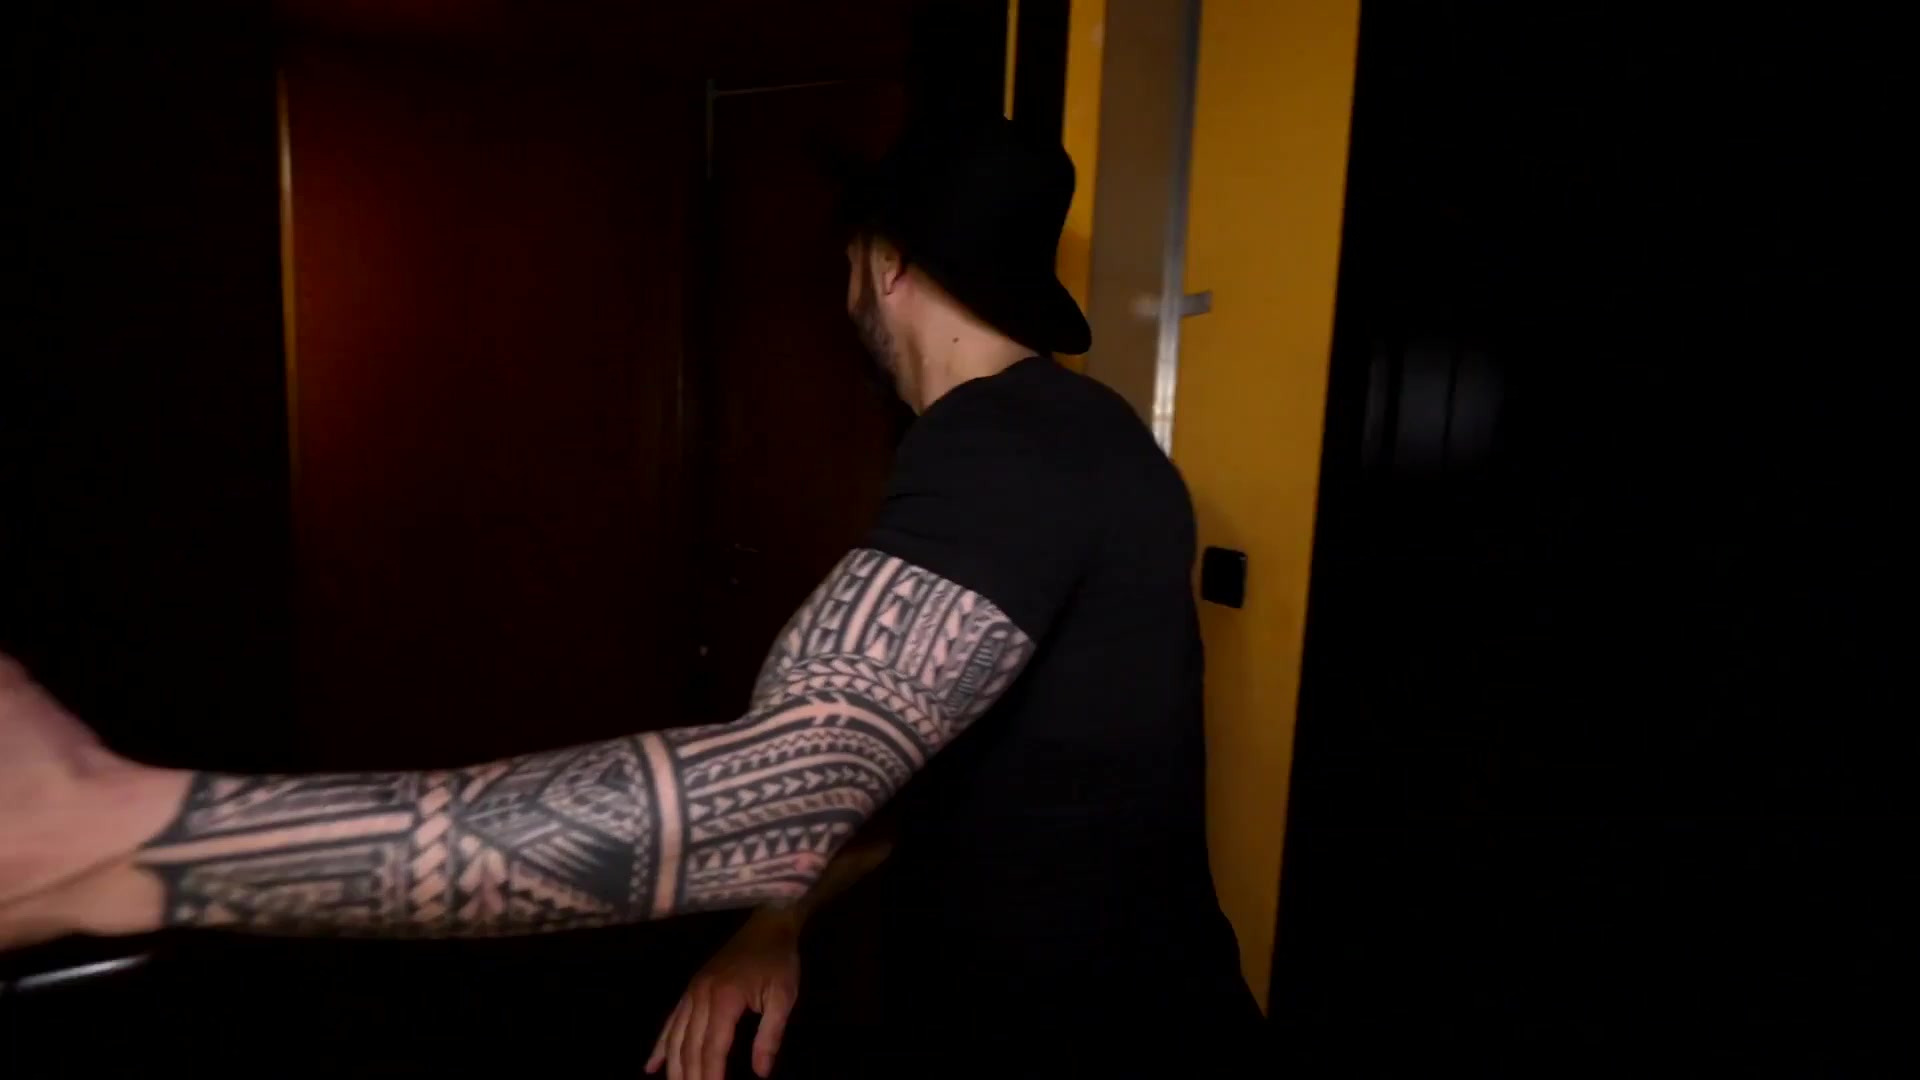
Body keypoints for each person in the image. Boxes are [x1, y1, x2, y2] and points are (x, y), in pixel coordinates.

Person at [0, 113, 1262, 1076]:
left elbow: (774, 794)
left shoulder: (1005, 451)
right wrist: (777, 923)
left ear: (882, 263)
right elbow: (950, 769)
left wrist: (141, 841)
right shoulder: (1076, 442)